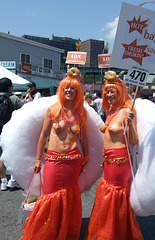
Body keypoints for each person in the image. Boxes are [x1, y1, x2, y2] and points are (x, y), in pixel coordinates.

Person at [19, 67, 89, 240]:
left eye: (73, 88)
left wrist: (86, 156)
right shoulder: (52, 110)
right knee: (49, 196)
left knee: (68, 197)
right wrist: (37, 159)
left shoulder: (81, 113)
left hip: (73, 160)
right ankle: (45, 234)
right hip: (52, 160)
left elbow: (84, 138)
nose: (69, 90)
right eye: (66, 87)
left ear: (78, 90)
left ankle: (63, 232)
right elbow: (43, 136)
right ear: (62, 89)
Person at [85, 71, 143, 240]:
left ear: (120, 92)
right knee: (109, 194)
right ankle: (111, 230)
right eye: (107, 92)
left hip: (120, 161)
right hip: (109, 161)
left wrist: (131, 124)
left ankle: (113, 234)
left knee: (115, 195)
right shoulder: (111, 110)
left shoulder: (126, 112)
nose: (109, 95)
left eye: (113, 91)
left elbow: (133, 141)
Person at [0, 77, 23, 190]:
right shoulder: (13, 98)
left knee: (1, 156)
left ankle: (3, 181)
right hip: (11, 132)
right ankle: (13, 180)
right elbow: (23, 113)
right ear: (9, 87)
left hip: (0, 131)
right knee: (15, 156)